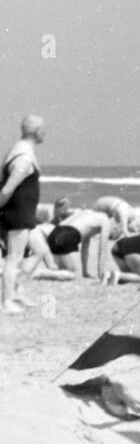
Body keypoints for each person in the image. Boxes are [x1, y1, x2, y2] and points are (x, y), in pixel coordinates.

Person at [0, 116, 47, 312]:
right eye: (44, 129)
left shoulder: (19, 150)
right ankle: (7, 301)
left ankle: (16, 290)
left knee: (40, 251)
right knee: (14, 257)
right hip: (17, 214)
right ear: (37, 132)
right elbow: (6, 190)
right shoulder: (24, 157)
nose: (46, 133)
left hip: (25, 214)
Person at [46, 208, 116, 279]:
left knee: (61, 270)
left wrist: (84, 272)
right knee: (71, 274)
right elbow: (102, 249)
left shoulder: (87, 213)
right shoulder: (105, 220)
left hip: (53, 235)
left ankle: (50, 271)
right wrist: (101, 274)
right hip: (66, 235)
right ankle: (40, 273)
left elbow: (85, 248)